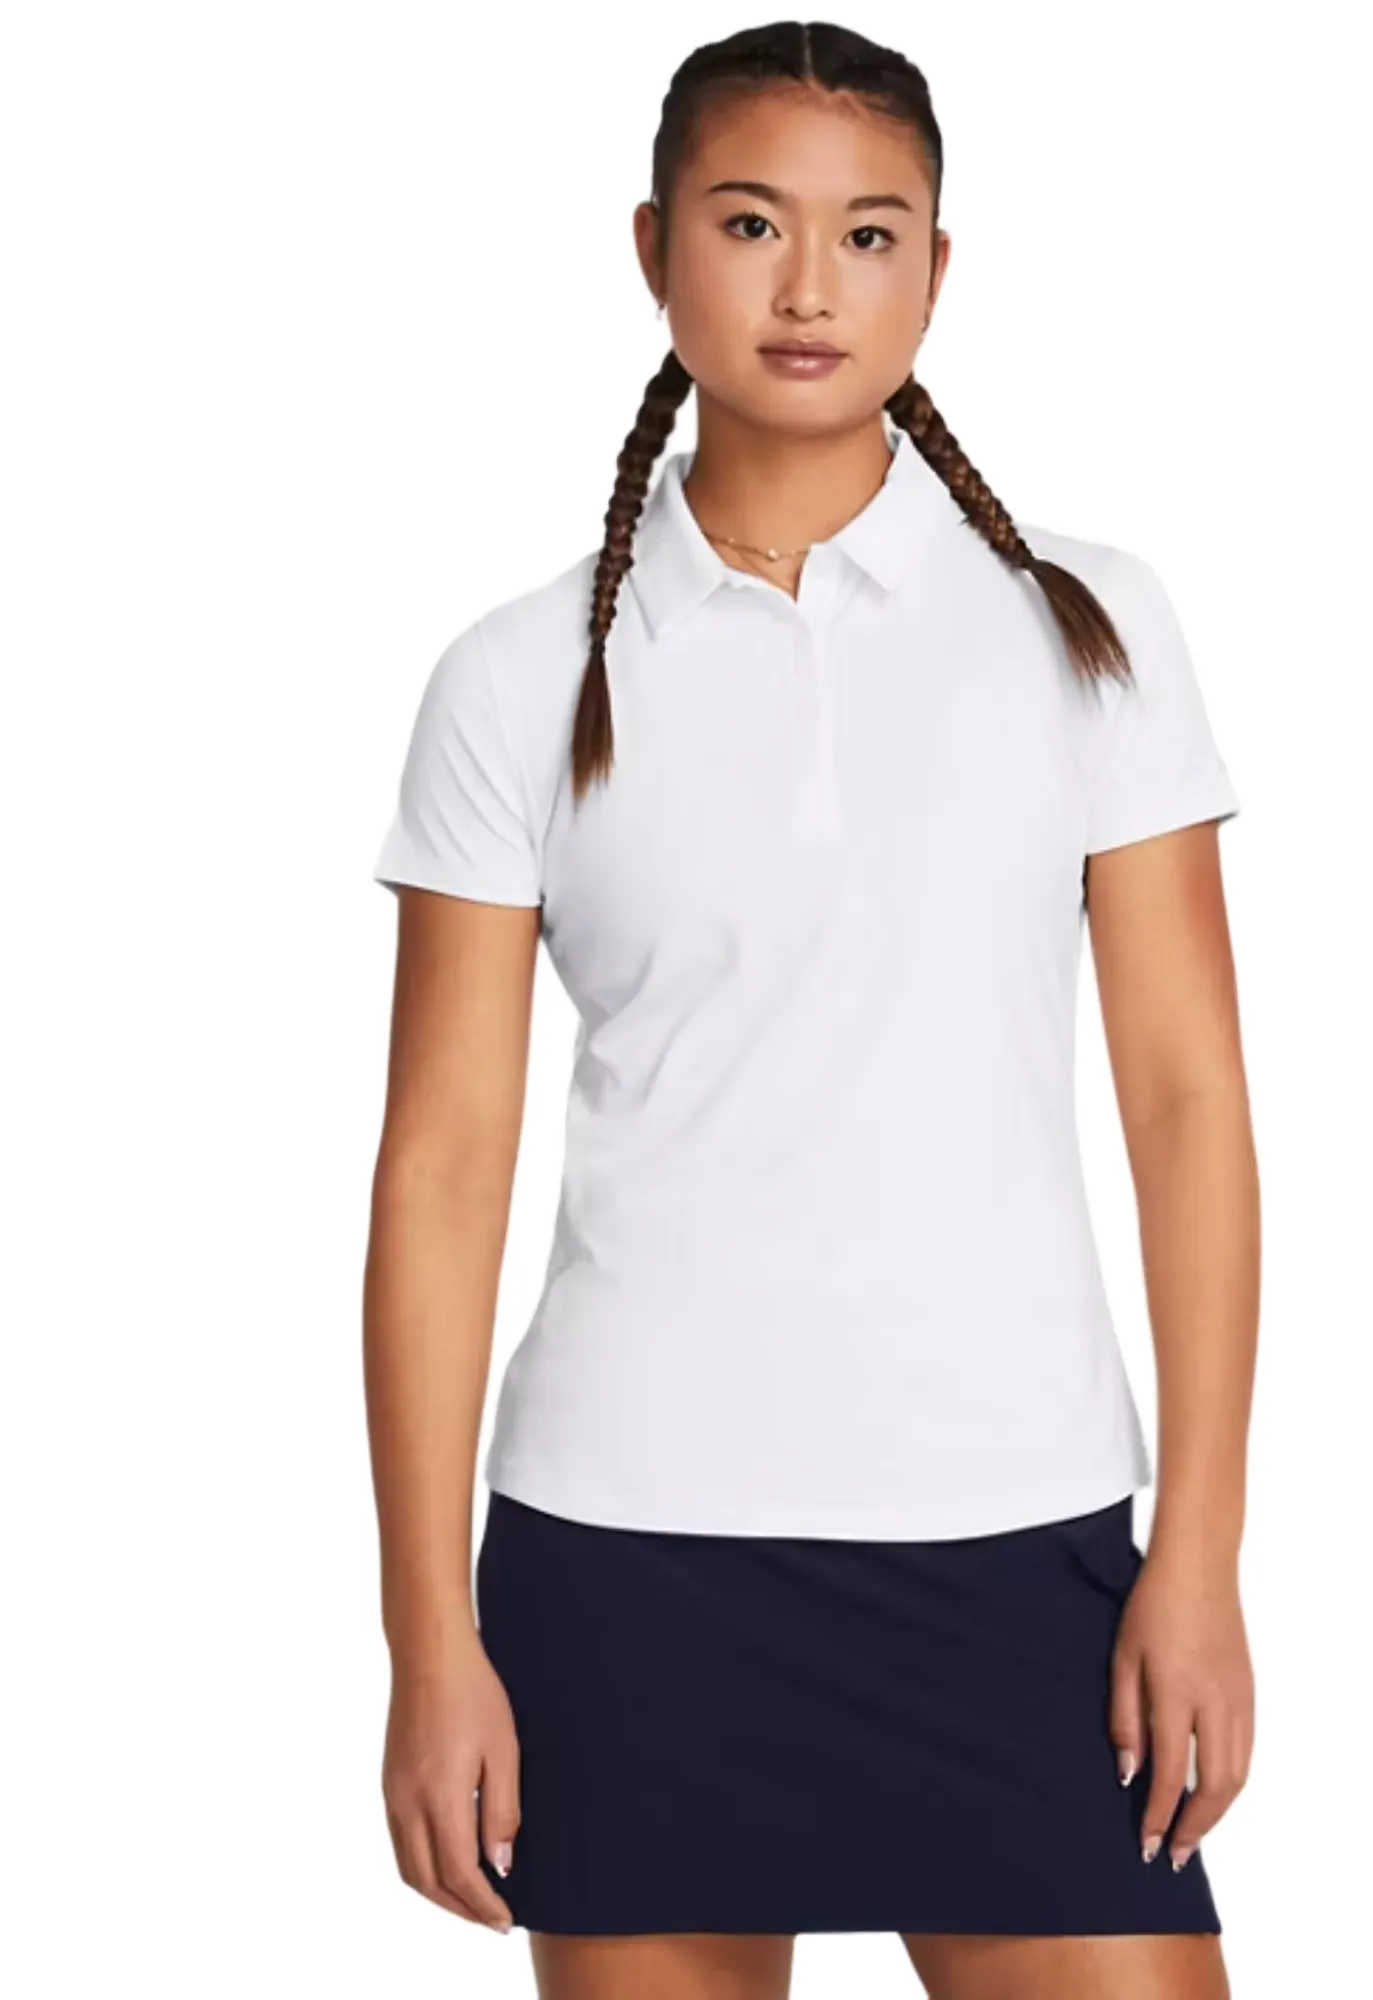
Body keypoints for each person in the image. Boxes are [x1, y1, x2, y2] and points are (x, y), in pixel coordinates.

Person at [364, 20, 1259, 2000]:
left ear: (935, 270)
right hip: (626, 1561)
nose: (807, 287)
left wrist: (1195, 1550)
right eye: (751, 222)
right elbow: (440, 1169)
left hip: (1018, 1539)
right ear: (652, 247)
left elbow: (1187, 1099)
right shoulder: (513, 678)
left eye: (868, 235)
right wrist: (429, 1635)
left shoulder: (1089, 630)